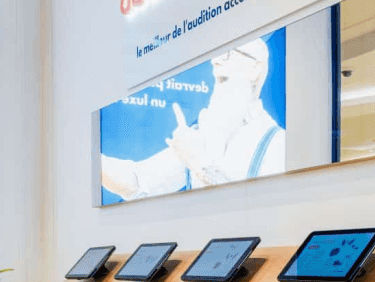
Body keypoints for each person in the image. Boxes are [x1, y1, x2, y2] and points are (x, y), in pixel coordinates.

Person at [102, 38, 284, 200]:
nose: (215, 61)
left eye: (228, 54)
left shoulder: (277, 143)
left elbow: (260, 211)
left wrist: (199, 164)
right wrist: (92, 160)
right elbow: (138, 181)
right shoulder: (201, 136)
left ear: (255, 69)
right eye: (216, 55)